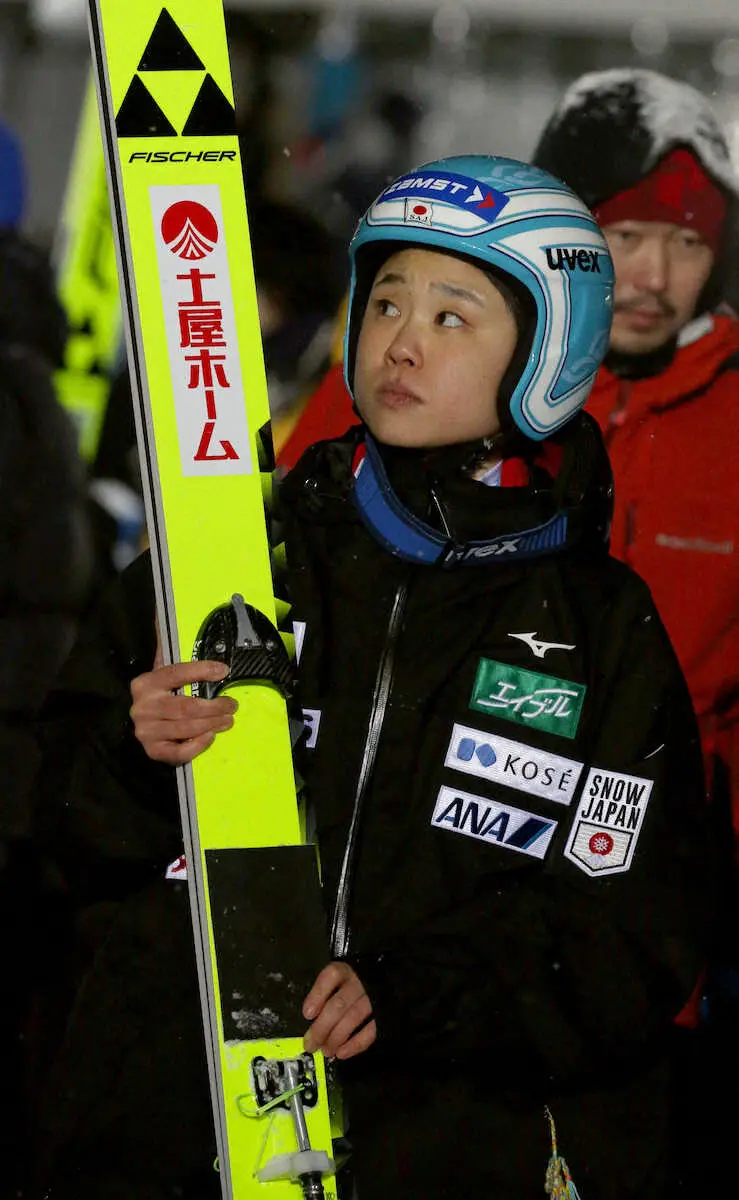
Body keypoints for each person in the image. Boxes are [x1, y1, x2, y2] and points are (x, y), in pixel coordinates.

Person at [33, 155, 712, 1200]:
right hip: (169, 1130)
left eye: (451, 317)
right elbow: (57, 830)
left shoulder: (598, 626)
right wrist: (132, 756)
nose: (400, 341)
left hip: (441, 1145)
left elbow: (628, 939)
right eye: (385, 301)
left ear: (548, 349)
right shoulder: (226, 555)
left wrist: (413, 993)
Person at [532, 68, 739, 1191]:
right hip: (453, 900)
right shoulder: (461, 365)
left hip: (662, 934)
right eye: (621, 236)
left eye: (687, 242)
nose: (652, 276)